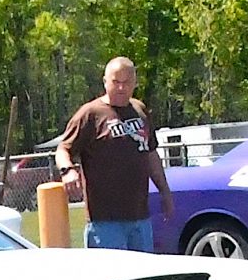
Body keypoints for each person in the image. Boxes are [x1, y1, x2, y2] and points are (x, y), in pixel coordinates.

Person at [55, 56, 173, 251]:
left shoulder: (140, 111)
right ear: (105, 82)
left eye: (126, 82)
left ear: (135, 83)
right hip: (105, 222)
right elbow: (63, 149)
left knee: (143, 278)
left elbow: (151, 155)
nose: (121, 88)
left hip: (140, 217)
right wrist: (68, 170)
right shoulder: (91, 114)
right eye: (115, 82)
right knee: (113, 278)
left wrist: (165, 191)